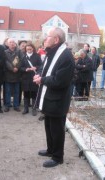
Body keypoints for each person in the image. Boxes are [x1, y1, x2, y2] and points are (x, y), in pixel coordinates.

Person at [33, 27, 74, 168]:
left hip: (58, 100)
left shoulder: (65, 56)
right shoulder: (52, 52)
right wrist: (39, 74)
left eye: (47, 36)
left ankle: (58, 157)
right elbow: (44, 68)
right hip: (49, 97)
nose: (45, 39)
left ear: (56, 39)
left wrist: (42, 80)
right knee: (49, 125)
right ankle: (51, 150)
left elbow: (59, 81)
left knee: (57, 129)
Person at [21, 43, 42, 116]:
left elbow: (41, 66)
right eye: (27, 49)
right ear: (25, 49)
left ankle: (34, 109)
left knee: (34, 93)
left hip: (34, 77)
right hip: (25, 78)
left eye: (30, 49)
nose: (29, 50)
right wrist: (25, 69)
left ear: (33, 48)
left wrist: (36, 67)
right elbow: (20, 67)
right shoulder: (23, 56)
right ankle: (26, 108)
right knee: (26, 93)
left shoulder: (37, 56)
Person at [4, 38, 23, 112]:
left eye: (13, 42)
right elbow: (5, 61)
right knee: (7, 91)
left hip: (17, 74)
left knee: (16, 91)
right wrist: (12, 68)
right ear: (8, 44)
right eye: (10, 42)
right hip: (8, 74)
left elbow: (22, 60)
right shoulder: (5, 52)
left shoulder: (19, 52)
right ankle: (7, 105)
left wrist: (17, 68)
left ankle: (16, 105)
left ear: (15, 44)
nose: (12, 43)